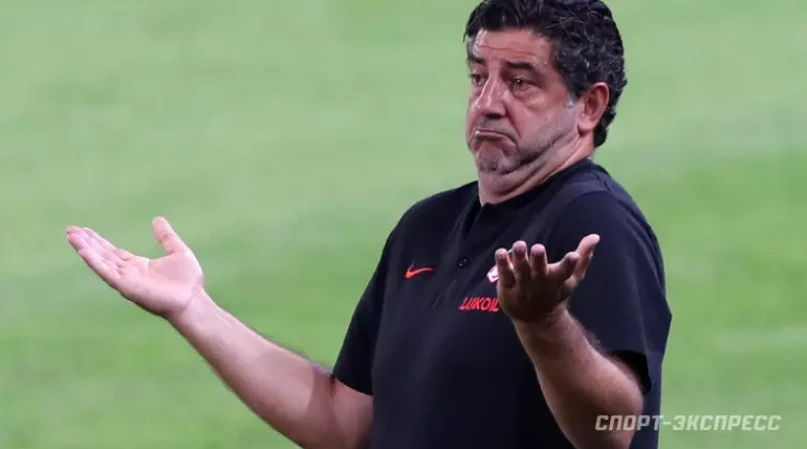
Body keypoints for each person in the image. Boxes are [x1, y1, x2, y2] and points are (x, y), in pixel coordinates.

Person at [66, 0, 672, 448]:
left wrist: (543, 324)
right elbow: (344, 422)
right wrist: (193, 308)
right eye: (478, 76)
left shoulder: (594, 221)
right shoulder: (426, 227)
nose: (488, 101)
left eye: (519, 82)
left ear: (588, 106)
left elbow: (613, 431)